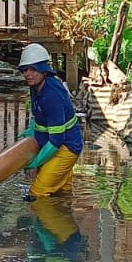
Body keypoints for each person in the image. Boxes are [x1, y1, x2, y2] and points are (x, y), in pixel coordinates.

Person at [18, 43, 83, 200]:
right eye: (24, 70)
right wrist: (31, 130)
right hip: (54, 145)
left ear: (43, 70)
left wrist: (35, 163)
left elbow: (57, 139)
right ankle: (64, 217)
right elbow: (39, 115)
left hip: (65, 147)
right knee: (61, 193)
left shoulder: (52, 94)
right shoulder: (36, 86)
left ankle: (43, 223)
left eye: (33, 69)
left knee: (37, 193)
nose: (28, 74)